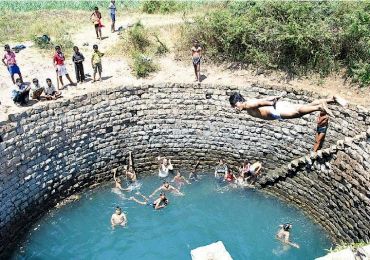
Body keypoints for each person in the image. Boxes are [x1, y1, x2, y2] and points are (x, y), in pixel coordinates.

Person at [229, 93, 350, 120]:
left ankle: (320, 108)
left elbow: (259, 103)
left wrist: (271, 103)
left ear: (239, 102)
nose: (235, 108)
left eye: (234, 105)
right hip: (275, 108)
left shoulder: (248, 104)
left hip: (275, 110)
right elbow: (261, 100)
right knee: (304, 107)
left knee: (298, 112)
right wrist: (273, 98)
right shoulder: (249, 103)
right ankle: (332, 99)